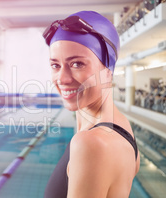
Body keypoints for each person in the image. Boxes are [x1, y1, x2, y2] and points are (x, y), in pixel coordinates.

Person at [42, 11, 140, 197]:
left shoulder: (92, 144)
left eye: (77, 64)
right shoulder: (121, 126)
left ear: (108, 70)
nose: (61, 78)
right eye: (55, 65)